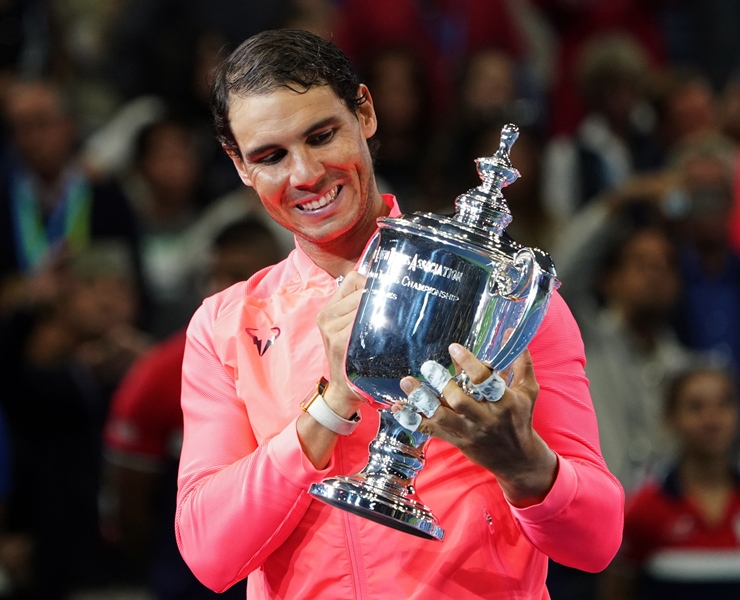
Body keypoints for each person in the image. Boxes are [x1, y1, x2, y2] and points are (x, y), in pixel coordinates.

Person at [175, 29, 624, 599]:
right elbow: (209, 555)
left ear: (364, 112)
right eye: (271, 156)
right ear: (238, 165)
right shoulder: (226, 324)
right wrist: (331, 405)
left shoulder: (498, 295)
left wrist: (526, 465)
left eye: (321, 135)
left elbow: (597, 540)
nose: (306, 174)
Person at [104, 217, 285, 599]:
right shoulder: (159, 373)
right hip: (186, 581)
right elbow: (129, 497)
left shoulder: (307, 358)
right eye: (213, 275)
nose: (220, 288)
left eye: (237, 274)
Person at [600, 364, 740, 599]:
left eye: (724, 404)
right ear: (671, 418)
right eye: (696, 407)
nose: (712, 419)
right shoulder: (643, 510)